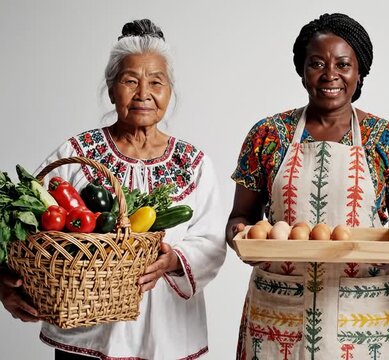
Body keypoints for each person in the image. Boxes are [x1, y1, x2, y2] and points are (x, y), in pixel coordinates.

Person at [0, 19, 227, 359]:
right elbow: (20, 222)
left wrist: (173, 260)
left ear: (169, 91)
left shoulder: (193, 162)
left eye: (156, 82)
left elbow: (211, 239)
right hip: (85, 337)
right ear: (111, 89)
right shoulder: (76, 154)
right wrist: (4, 284)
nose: (143, 94)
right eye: (130, 81)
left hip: (167, 334)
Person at [226, 13, 389, 359]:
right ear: (302, 70)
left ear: (359, 71)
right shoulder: (268, 135)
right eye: (317, 63)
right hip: (279, 312)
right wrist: (241, 235)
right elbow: (239, 217)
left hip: (365, 317)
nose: (330, 75)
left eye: (343, 64)